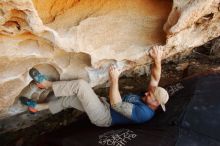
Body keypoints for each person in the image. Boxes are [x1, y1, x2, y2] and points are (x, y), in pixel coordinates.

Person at [23, 46, 169, 127]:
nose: (147, 93)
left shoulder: (144, 114)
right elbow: (155, 78)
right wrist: (157, 59)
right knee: (68, 99)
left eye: (150, 95)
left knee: (81, 86)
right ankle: (37, 107)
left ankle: (46, 85)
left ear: (156, 104)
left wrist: (114, 79)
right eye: (150, 92)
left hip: (104, 117)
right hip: (105, 105)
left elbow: (117, 104)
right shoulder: (151, 97)